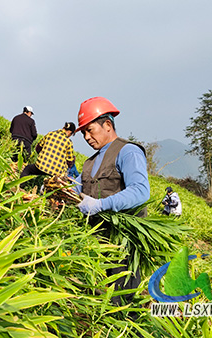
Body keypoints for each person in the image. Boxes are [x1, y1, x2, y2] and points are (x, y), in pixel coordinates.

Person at [71, 96, 150, 306]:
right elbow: (76, 187)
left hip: (122, 244)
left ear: (107, 125)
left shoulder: (128, 151)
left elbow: (141, 191)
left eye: (90, 130)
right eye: (84, 132)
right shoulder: (89, 162)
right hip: (98, 242)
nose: (87, 137)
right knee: (97, 297)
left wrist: (100, 205)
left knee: (121, 301)